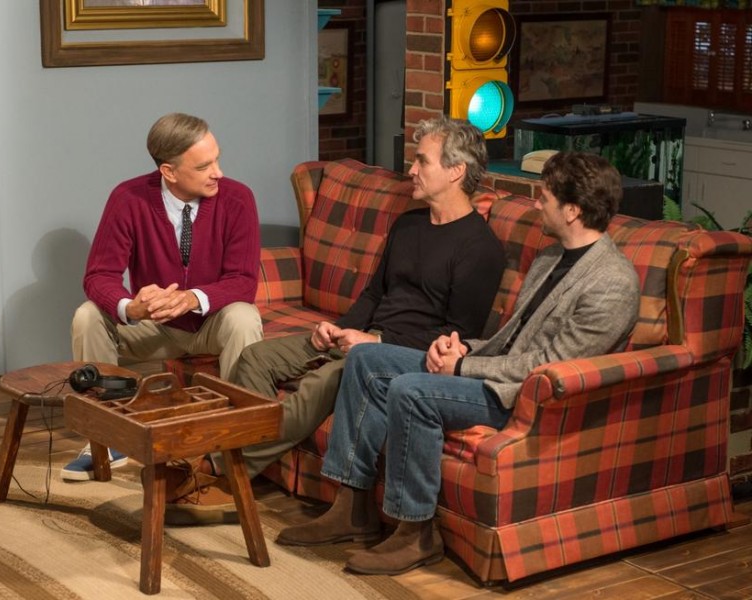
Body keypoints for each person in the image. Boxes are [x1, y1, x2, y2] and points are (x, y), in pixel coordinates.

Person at [274, 151, 642, 576]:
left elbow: (549, 365)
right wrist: (462, 348)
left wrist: (464, 369)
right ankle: (351, 506)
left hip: (524, 396)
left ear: (573, 210)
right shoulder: (550, 258)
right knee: (366, 358)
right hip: (492, 370)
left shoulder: (612, 283)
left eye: (545, 198)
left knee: (410, 391)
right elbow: (511, 340)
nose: (537, 204)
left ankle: (416, 533)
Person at [162, 116, 507, 525]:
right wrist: (339, 327)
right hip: (360, 336)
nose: (411, 170)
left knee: (320, 383)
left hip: (397, 355)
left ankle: (218, 470)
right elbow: (375, 293)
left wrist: (375, 343)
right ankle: (242, 469)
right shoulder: (409, 224)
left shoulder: (479, 248)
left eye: (422, 161)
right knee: (255, 358)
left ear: (456, 171)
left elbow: (457, 336)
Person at [62, 112, 262, 481]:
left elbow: (243, 281)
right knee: (88, 315)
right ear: (169, 171)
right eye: (204, 166)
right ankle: (104, 441)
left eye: (217, 159)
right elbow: (99, 275)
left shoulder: (238, 199)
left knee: (243, 317)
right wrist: (131, 307)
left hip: (210, 325)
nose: (218, 172)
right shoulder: (128, 198)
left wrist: (192, 298)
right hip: (153, 327)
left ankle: (233, 443)